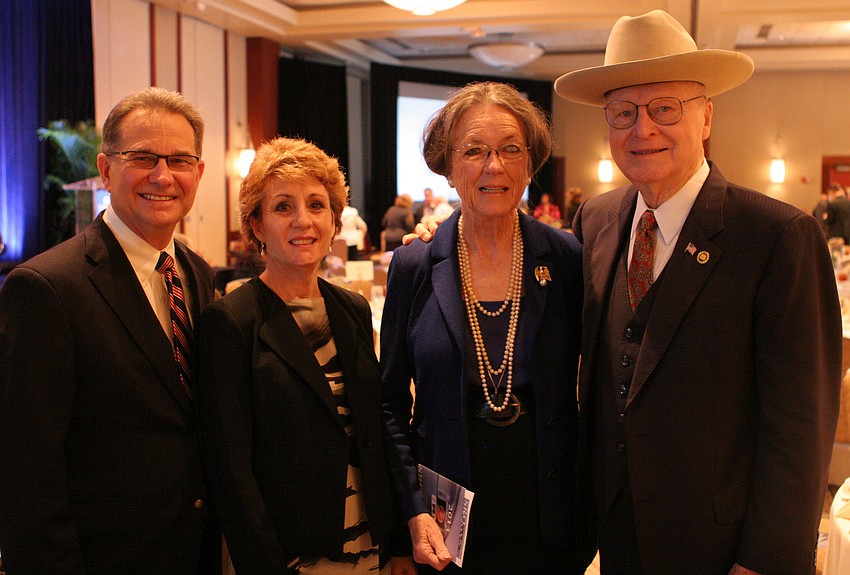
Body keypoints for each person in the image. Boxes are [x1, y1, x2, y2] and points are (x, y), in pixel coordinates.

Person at [554, 10, 841, 575]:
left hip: (721, 545)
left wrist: (764, 559)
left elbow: (801, 423)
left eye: (664, 108)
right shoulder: (596, 219)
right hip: (615, 535)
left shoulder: (778, 236)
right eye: (623, 112)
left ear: (706, 116)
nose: (642, 129)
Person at [0, 87, 220, 573]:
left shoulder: (196, 273)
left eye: (180, 160)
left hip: (194, 551)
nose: (162, 175)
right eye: (142, 157)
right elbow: (27, 468)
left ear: (199, 173)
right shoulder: (46, 287)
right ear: (105, 169)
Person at [381, 81, 593, 574]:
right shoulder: (415, 265)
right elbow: (388, 405)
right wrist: (409, 512)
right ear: (448, 166)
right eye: (474, 150)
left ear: (530, 164)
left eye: (510, 149)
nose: (493, 166)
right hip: (445, 521)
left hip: (549, 516)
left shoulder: (565, 259)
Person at [195, 137, 401, 574]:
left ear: (335, 221)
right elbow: (230, 467)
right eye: (283, 207)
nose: (302, 220)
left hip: (369, 542)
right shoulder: (231, 321)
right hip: (292, 552)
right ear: (256, 225)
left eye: (316, 205)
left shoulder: (352, 308)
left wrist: (396, 540)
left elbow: (372, 427)